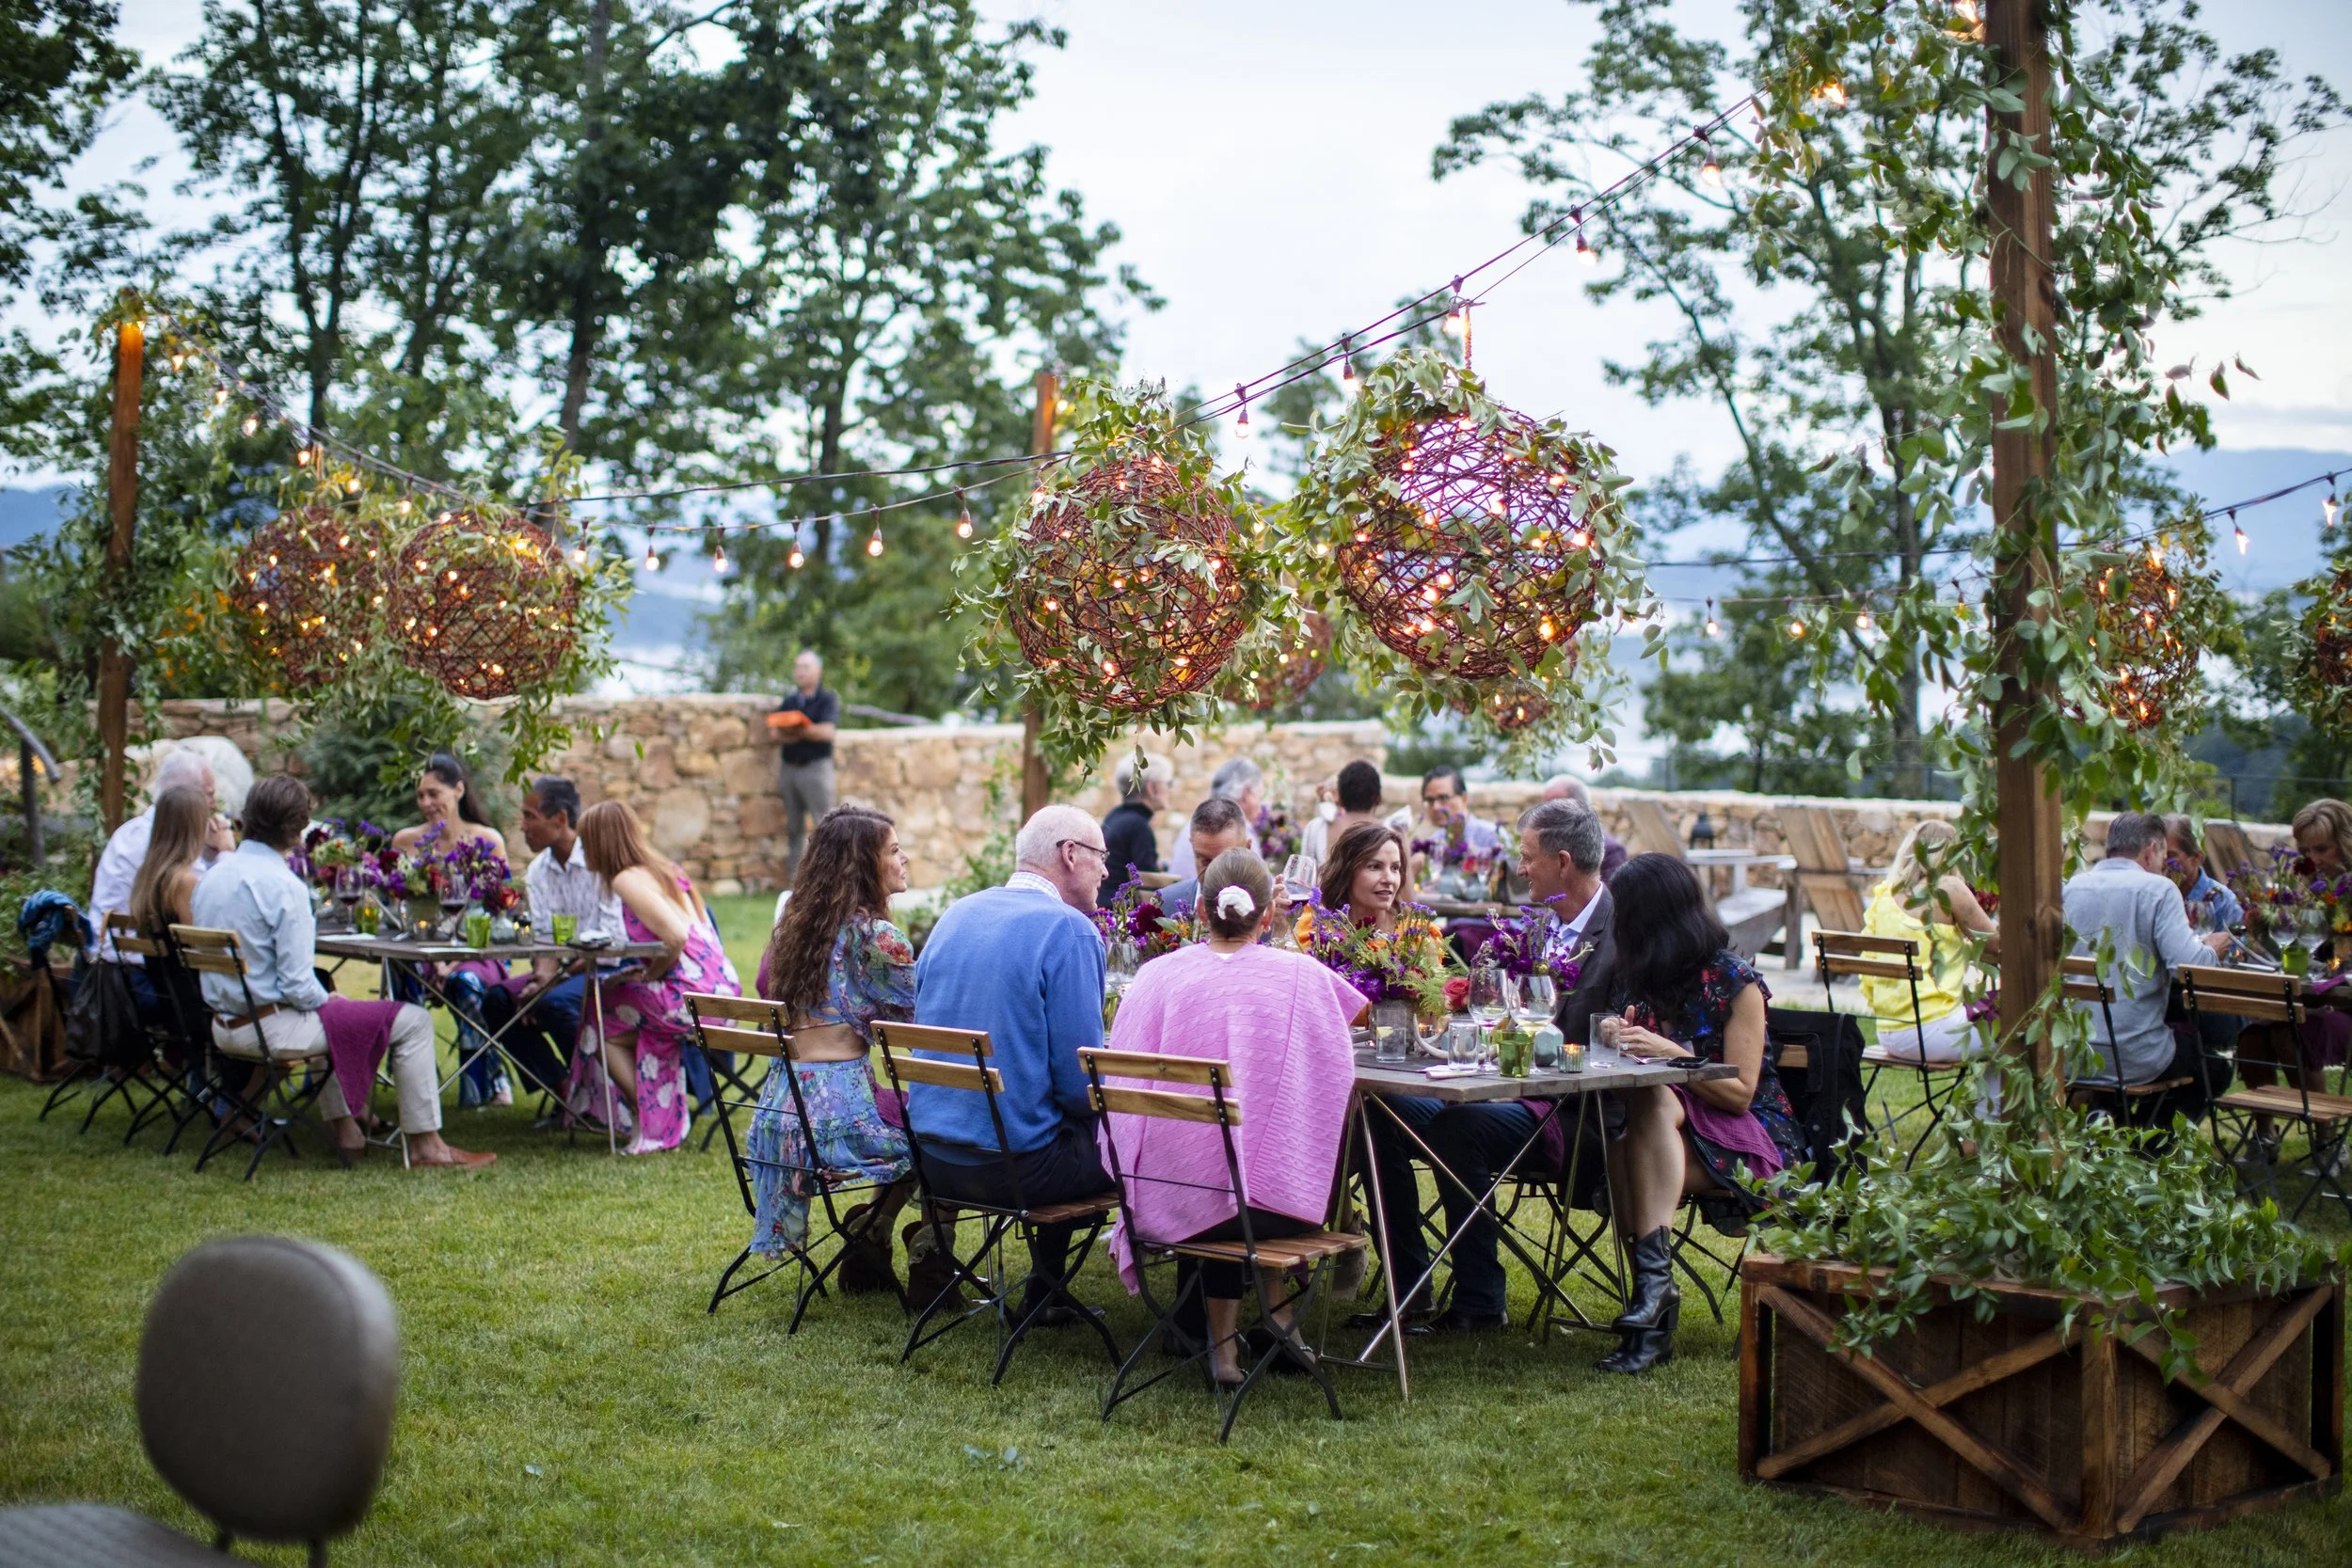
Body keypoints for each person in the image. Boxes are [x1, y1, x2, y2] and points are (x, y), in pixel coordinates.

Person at [1100, 849, 1366, 1386]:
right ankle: (1280, 1320)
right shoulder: (1302, 976)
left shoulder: (1154, 977)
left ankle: (1225, 1351)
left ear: (1199, 909)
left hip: (1163, 1195)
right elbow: (1343, 1057)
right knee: (1250, 1178)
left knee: (1220, 1179)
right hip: (1273, 1212)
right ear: (1269, 916)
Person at [1358, 802, 1614, 1336]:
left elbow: (1610, 1038)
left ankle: (1481, 1299)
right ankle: (1410, 1290)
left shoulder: (1620, 935)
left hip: (1577, 1112)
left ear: (1562, 862)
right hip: (1506, 1091)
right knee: (1383, 1112)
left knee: (1459, 1129)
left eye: (1527, 857)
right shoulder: (1541, 925)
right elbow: (1497, 1011)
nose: (1519, 869)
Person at [189, 773, 493, 1169]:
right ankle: (426, 1146)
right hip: (270, 1030)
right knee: (413, 1020)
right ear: (296, 828)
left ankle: (347, 1133)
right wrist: (327, 999)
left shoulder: (211, 877)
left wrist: (324, 1003)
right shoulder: (284, 886)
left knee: (334, 1015)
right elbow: (298, 986)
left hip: (224, 1024)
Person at [907, 803, 1117, 1326]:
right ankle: (1190, 1316)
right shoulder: (1070, 931)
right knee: (1140, 1148)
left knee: (1061, 1124)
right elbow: (1078, 1088)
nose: (1107, 870)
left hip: (935, 1161)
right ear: (1070, 854)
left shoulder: (957, 913)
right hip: (1016, 1169)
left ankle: (1045, 1295)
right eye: (1100, 856)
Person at [1597, 853, 1804, 1373]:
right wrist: (1613, 1040)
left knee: (1637, 1137)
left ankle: (1651, 1312)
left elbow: (1741, 1090)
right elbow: (1630, 1075)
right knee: (1631, 1136)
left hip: (1750, 1135)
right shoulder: (1636, 978)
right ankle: (1653, 1304)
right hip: (1670, 1129)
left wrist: (1671, 1054)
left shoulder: (1736, 981)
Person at [745, 807, 917, 1292]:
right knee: (938, 1130)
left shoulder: (798, 928)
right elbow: (919, 1022)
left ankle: (874, 1233)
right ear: (865, 864)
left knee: (908, 1110)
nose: (905, 859)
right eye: (894, 850)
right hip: (837, 1123)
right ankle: (912, 1238)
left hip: (779, 1112)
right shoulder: (877, 937)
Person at [577, 800, 743, 1154]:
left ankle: (653, 1115)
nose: (582, 850)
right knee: (617, 1000)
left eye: (585, 841)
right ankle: (656, 1113)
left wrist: (650, 974)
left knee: (597, 1015)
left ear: (600, 842)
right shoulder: (663, 869)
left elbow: (676, 938)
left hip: (694, 998)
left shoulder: (625, 878)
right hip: (721, 989)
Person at [2060, 811, 2232, 1120]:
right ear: (2152, 849)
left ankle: (2112, 1127)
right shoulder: (2158, 889)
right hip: (2134, 1055)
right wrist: (2212, 950)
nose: (2165, 866)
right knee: (2212, 1068)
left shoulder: (2072, 887)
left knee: (2173, 1044)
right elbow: (2189, 969)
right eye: (2164, 855)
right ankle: (2150, 1150)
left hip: (2074, 1051)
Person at [472, 777, 624, 1102]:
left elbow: (610, 946)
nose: (523, 826)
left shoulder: (599, 861)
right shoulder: (539, 870)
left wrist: (550, 984)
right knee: (497, 1001)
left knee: (552, 1003)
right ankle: (564, 1092)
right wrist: (541, 978)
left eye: (530, 816)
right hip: (563, 972)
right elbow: (543, 939)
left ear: (560, 819)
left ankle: (604, 1093)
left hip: (604, 969)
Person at [392, 753, 512, 1107]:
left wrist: (452, 963)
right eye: (420, 796)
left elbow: (499, 910)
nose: (426, 803)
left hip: (477, 953)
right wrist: (432, 959)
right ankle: (417, 1087)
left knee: (466, 984)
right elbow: (399, 911)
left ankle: (478, 1090)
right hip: (421, 950)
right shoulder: (407, 842)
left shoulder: (488, 841)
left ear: (458, 790)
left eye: (434, 793)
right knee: (401, 972)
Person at [1861, 819, 1998, 1063]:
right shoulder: (1948, 888)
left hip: (1889, 1032)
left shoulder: (1884, 895)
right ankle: (1990, 1103)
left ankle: (1988, 1103)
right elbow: (1995, 946)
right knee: (2020, 1022)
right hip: (1933, 1033)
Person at [90, 749, 232, 962]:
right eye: (208, 794)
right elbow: (213, 911)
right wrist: (227, 854)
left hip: (110, 959)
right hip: (139, 970)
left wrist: (211, 856)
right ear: (186, 799)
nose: (213, 805)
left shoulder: (133, 832)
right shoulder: (176, 865)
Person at [121, 784, 214, 1034]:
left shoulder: (149, 876)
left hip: (169, 999)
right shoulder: (183, 881)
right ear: (193, 828)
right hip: (197, 1008)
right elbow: (203, 949)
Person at [771, 649, 840, 885]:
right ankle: (795, 883)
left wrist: (798, 731)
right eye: (797, 667)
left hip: (816, 769)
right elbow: (775, 731)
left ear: (818, 671)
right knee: (794, 828)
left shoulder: (827, 699)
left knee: (825, 825)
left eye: (805, 667)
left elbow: (827, 732)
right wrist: (804, 733)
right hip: (790, 769)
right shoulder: (790, 701)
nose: (800, 672)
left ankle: (829, 880)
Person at [1164, 758, 1264, 881]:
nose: (1261, 807)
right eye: (1259, 795)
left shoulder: (1195, 824)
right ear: (1246, 794)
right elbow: (1264, 887)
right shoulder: (1236, 831)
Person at [1158, 797, 1253, 919]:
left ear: (1247, 848)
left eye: (1225, 862)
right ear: (1192, 845)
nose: (1214, 873)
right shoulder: (1165, 905)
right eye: (1205, 861)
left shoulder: (1267, 912)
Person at [1099, 751, 1172, 905]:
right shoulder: (1138, 826)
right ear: (1152, 789)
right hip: (1119, 914)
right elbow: (1150, 883)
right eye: (1168, 784)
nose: (1169, 790)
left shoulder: (1115, 816)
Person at [2162, 815, 2244, 932]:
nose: (2163, 862)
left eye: (2170, 856)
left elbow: (2235, 947)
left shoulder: (2222, 900)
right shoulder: (2152, 895)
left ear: (2196, 858)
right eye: (2159, 855)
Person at [1540, 774, 1629, 879]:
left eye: (1553, 807)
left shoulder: (1610, 850)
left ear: (1578, 808)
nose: (1543, 814)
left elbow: (1612, 894)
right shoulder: (1544, 844)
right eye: (1543, 806)